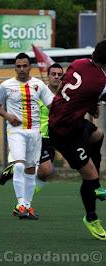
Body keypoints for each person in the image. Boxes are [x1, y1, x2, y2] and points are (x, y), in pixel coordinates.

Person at [48, 40, 106, 240]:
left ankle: (94, 178)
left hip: (68, 119)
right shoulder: (99, 81)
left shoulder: (79, 62)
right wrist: (93, 103)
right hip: (64, 131)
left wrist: (90, 104)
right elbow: (95, 95)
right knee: (89, 175)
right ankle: (91, 217)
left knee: (98, 135)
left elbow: (77, 91)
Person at [0, 53, 54, 219]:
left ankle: (26, 207)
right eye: (18, 66)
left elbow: (52, 105)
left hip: (35, 132)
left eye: (24, 66)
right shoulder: (6, 85)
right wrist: (7, 115)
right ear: (15, 67)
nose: (21, 69)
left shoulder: (39, 85)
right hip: (16, 131)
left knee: (30, 169)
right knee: (19, 166)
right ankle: (21, 204)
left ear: (30, 67)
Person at [0, 63, 64, 193]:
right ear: (48, 76)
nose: (56, 77)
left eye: (59, 74)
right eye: (53, 74)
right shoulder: (39, 92)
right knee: (46, 169)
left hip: (54, 138)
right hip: (38, 136)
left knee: (44, 173)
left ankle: (20, 179)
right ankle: (24, 197)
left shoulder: (65, 95)